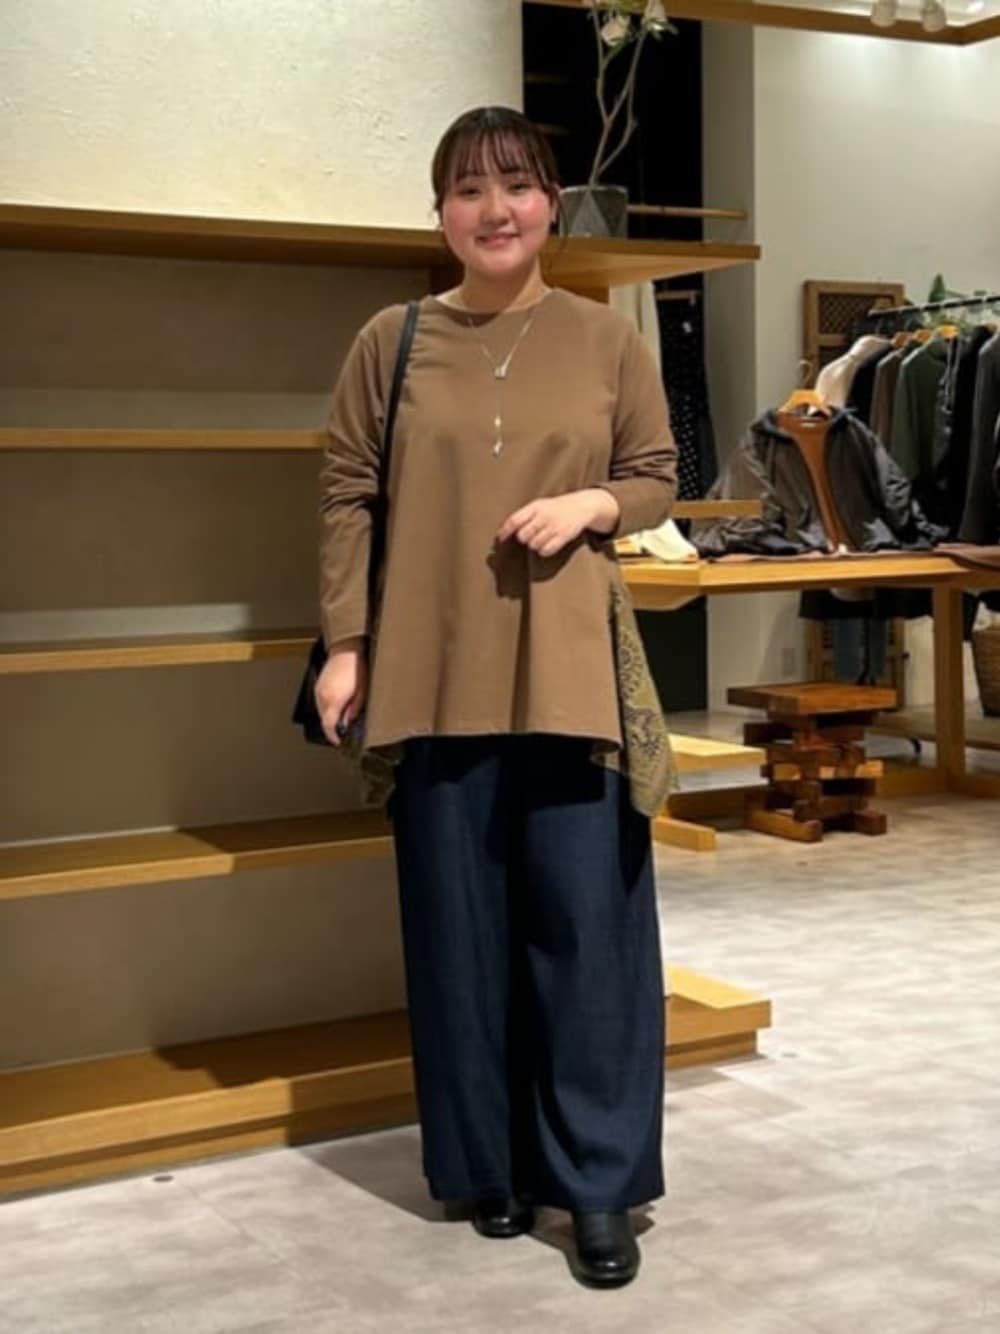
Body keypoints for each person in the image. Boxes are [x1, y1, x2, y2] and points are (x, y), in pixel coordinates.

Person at [314, 106, 677, 1288]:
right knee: (458, 942)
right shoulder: (393, 339)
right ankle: (491, 1165)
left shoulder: (606, 338)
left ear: (550, 203)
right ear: (440, 213)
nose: (494, 209)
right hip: (428, 675)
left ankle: (599, 1184)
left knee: (588, 936)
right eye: (467, 189)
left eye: (514, 184)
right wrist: (346, 644)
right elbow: (347, 490)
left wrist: (590, 505)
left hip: (570, 676)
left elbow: (657, 475)